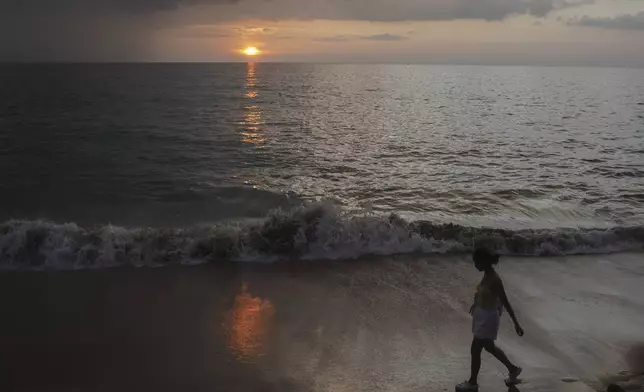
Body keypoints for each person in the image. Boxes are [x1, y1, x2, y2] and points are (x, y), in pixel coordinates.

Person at [456, 247, 524, 391]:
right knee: (489, 347)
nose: (475, 265)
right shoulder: (486, 275)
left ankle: (472, 383)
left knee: (476, 348)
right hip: (482, 316)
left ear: (484, 261)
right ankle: (513, 369)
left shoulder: (495, 279)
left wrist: (516, 324)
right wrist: (475, 304)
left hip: (488, 319)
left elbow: (505, 301)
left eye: (476, 262)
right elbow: (485, 294)